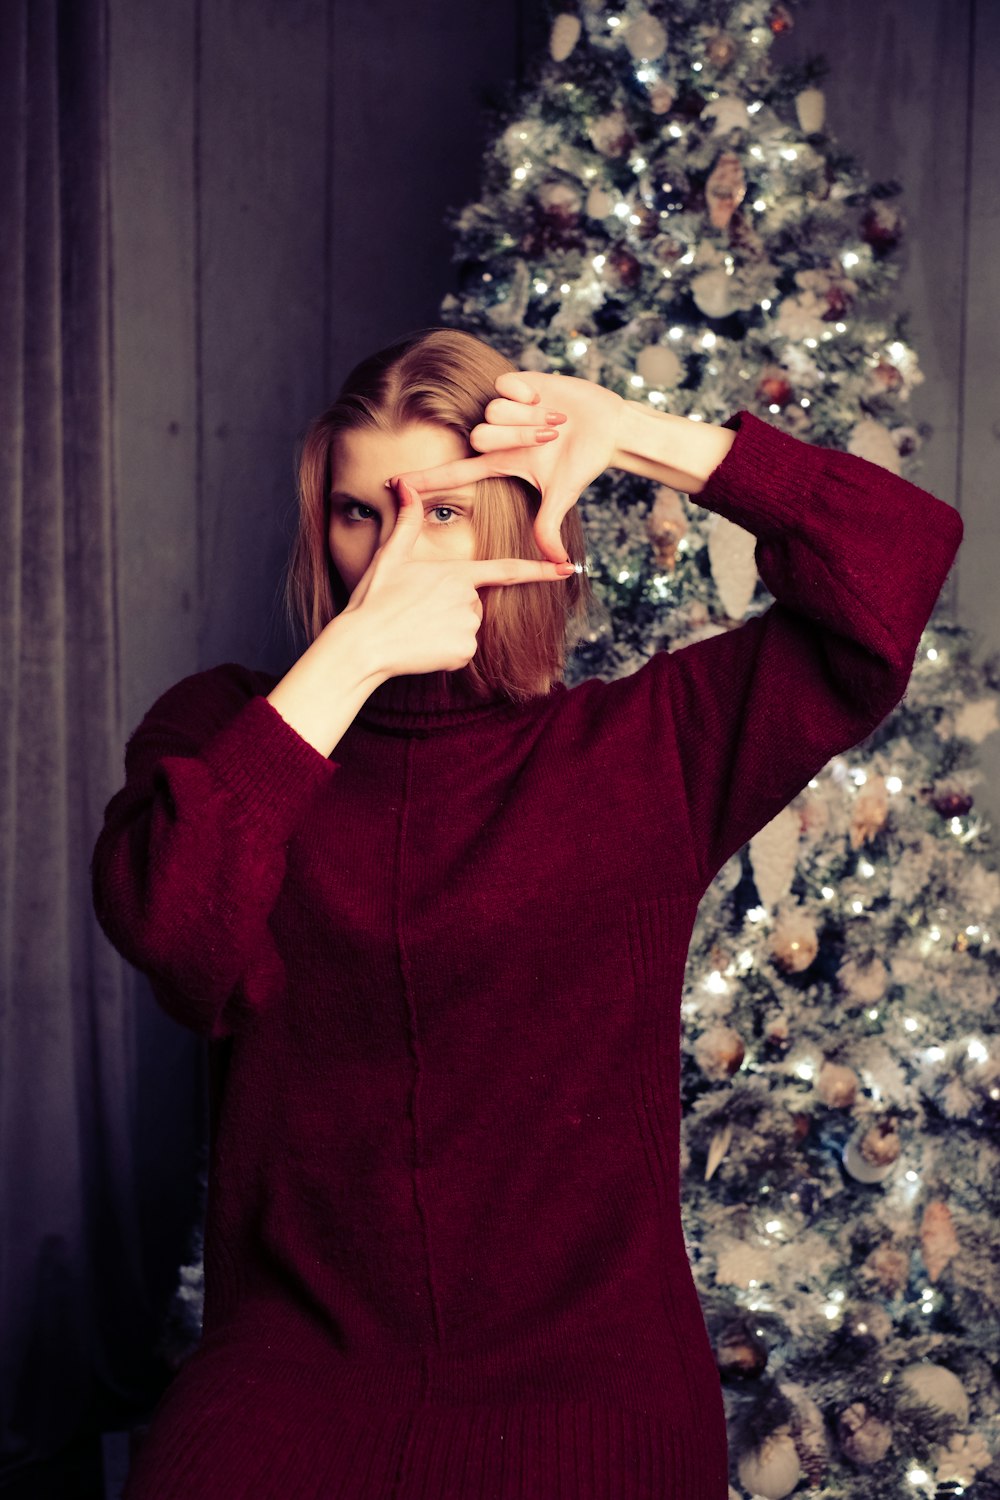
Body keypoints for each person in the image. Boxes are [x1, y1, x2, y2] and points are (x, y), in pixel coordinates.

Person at [91, 326, 964, 1499]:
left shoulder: (645, 750)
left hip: (586, 1386)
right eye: (361, 513)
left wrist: (642, 440)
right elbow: (177, 939)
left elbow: (901, 556)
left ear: (514, 517)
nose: (391, 554)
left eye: (440, 511)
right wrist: (348, 662)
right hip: (296, 1368)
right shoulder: (226, 732)